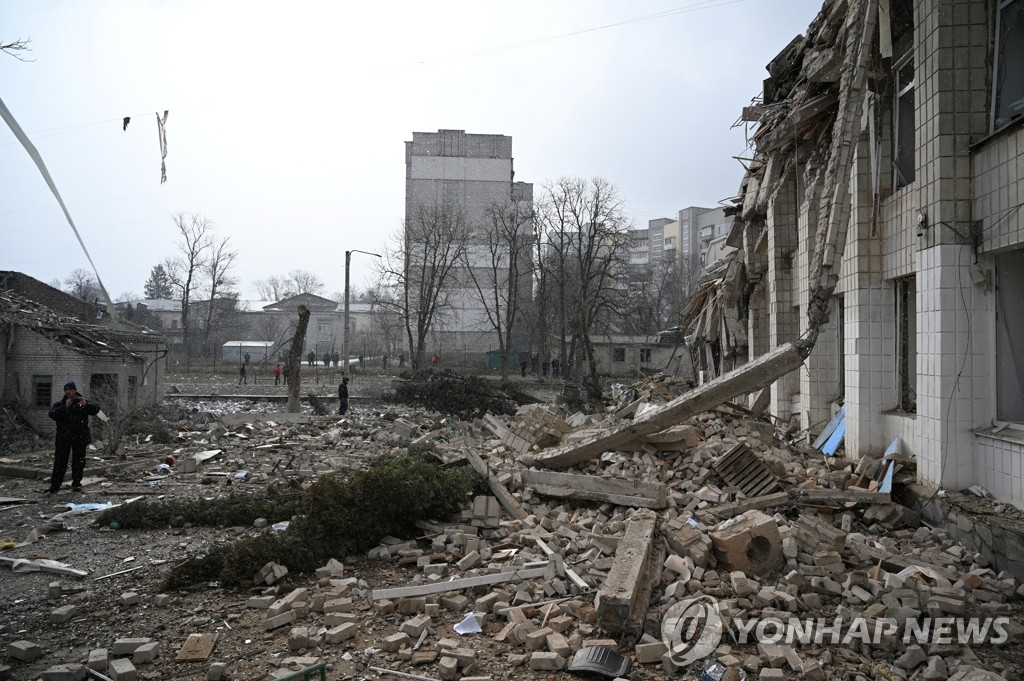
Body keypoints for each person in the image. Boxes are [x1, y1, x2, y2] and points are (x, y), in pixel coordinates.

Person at [46, 381, 100, 494]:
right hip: (63, 437)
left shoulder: (81, 402)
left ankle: (76, 484)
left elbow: (96, 410)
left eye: (70, 389)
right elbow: (52, 414)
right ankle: (55, 486)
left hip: (79, 437)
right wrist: (65, 407)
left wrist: (86, 405)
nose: (68, 391)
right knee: (60, 462)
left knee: (79, 461)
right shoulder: (60, 404)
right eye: (66, 390)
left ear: (75, 390)